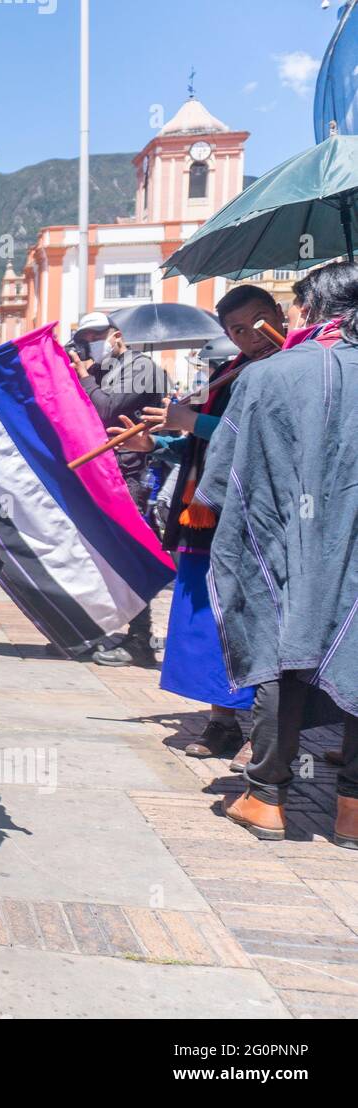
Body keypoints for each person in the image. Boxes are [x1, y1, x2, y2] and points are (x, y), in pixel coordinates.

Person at [196, 265, 358, 850]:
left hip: (285, 540)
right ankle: (352, 810)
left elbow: (222, 479)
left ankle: (266, 797)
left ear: (310, 310)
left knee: (280, 652)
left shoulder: (268, 376)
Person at [110, 286, 285, 763]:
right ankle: (222, 720)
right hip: (203, 513)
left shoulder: (290, 369)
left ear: (282, 315)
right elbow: (207, 449)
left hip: (254, 518)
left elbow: (254, 436)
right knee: (206, 619)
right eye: (238, 330)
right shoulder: (229, 373)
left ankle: (263, 733)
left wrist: (191, 421)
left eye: (260, 321)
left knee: (250, 620)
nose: (252, 336)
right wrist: (159, 447)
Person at [67, 313, 171, 666]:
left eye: (98, 335)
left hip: (132, 477)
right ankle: (99, 628)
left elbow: (106, 408)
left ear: (117, 336)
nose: (90, 342)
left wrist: (84, 376)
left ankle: (140, 638)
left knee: (130, 555)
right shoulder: (101, 371)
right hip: (104, 475)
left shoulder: (143, 369)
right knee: (102, 557)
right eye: (85, 337)